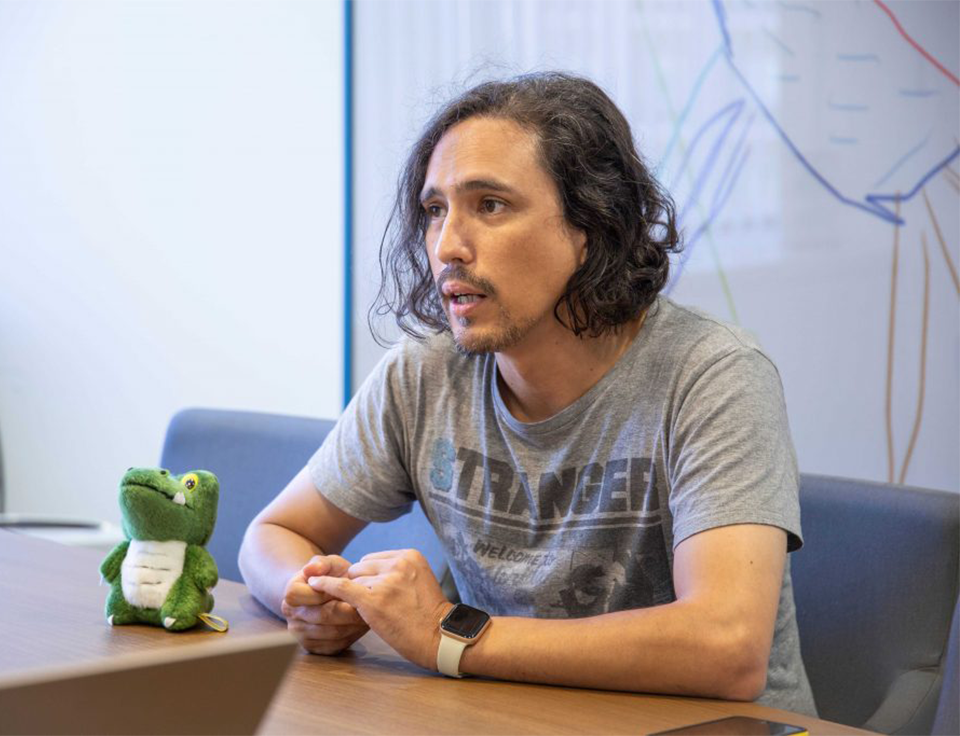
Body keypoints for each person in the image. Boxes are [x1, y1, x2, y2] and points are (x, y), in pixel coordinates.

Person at [238, 72, 817, 715]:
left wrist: (447, 634)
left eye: (490, 205)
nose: (447, 247)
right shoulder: (424, 373)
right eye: (435, 210)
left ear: (590, 226)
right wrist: (309, 595)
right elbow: (274, 533)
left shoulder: (714, 374)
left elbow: (727, 648)